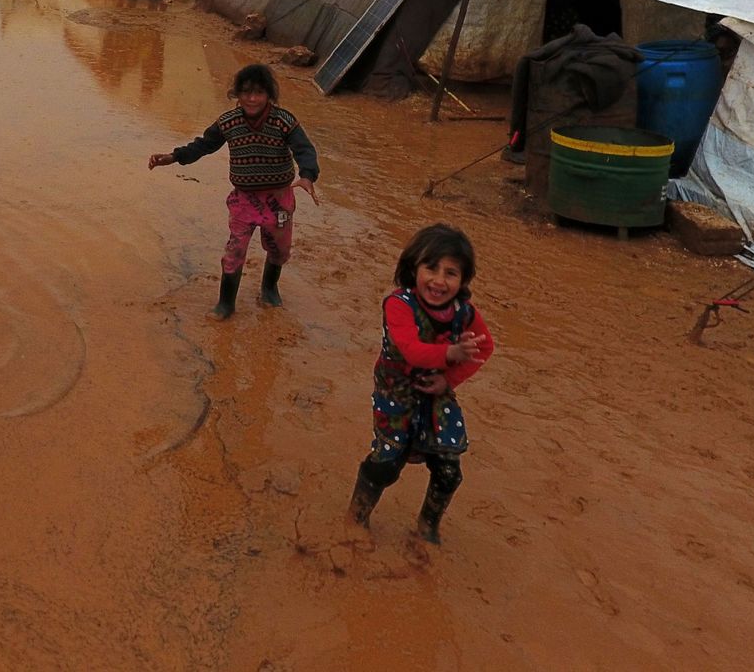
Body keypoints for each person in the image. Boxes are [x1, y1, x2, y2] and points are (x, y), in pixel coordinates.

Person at [347, 224, 494, 544]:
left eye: (451, 273)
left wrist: (449, 379)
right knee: (387, 462)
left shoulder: (464, 311)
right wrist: (451, 353)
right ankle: (356, 517)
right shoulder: (398, 304)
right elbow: (410, 349)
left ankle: (428, 528)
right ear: (412, 266)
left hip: (436, 390)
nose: (439, 281)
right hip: (395, 391)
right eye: (431, 268)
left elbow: (485, 347)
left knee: (449, 470)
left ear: (463, 280)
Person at [147, 64, 319, 316]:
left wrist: (307, 176)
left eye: (258, 93)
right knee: (235, 249)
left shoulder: (284, 121)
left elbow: (304, 149)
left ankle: (270, 288)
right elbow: (204, 145)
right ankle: (226, 303)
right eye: (246, 92)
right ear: (237, 94)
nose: (252, 99)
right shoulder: (228, 122)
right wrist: (174, 157)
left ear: (268, 95)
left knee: (279, 249)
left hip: (279, 199)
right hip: (244, 201)